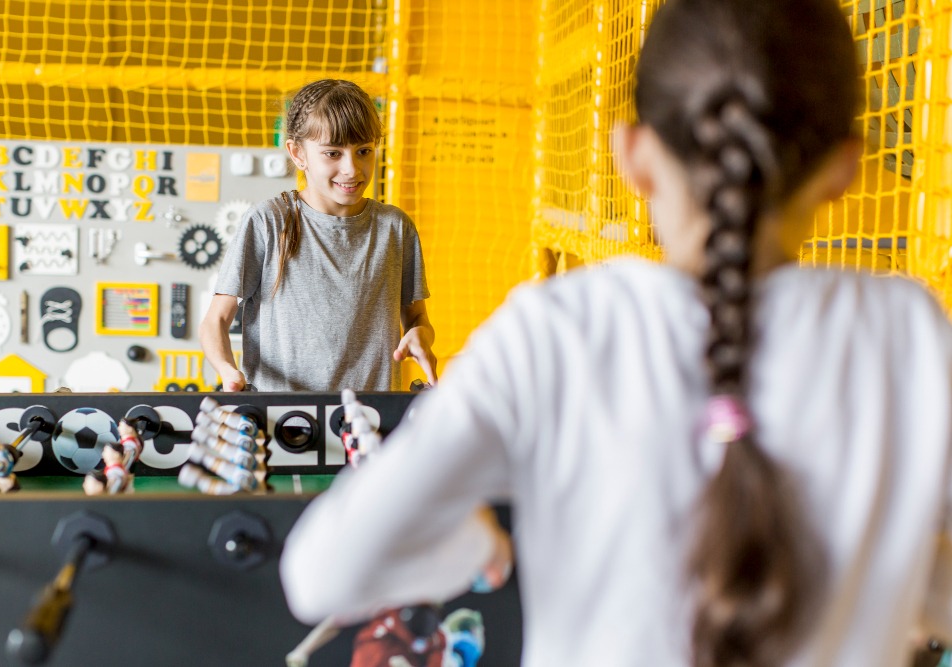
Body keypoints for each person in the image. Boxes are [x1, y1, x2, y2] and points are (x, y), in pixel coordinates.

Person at [281, 0, 952, 665]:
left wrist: (466, 544)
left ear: (631, 155)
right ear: (845, 167)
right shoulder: (910, 331)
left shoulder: (557, 330)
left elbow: (321, 573)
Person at [200, 79, 436, 392]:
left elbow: (417, 315)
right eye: (332, 154)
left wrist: (422, 335)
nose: (352, 169)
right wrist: (228, 371)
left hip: (369, 419)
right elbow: (215, 320)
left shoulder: (395, 227)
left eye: (364, 151)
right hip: (284, 420)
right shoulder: (269, 221)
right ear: (298, 153)